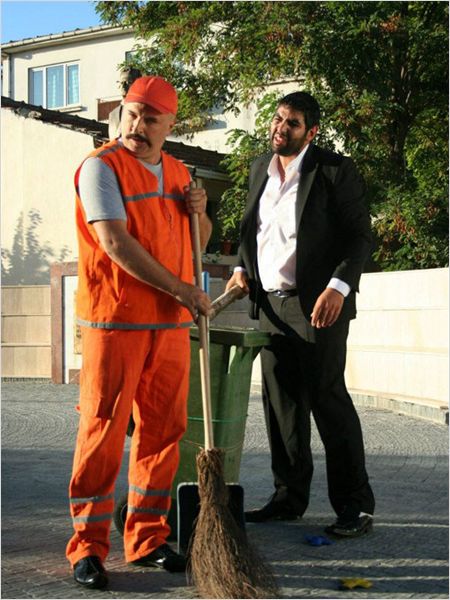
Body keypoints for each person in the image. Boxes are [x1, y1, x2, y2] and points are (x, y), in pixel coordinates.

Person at [67, 75, 212, 590]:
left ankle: (147, 538)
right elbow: (115, 244)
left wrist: (200, 213)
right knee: (102, 431)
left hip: (168, 327)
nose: (138, 126)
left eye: (151, 118)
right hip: (116, 323)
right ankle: (87, 547)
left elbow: (198, 239)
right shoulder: (100, 168)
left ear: (171, 125)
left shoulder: (176, 171)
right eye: (131, 114)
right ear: (120, 114)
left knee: (162, 433)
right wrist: (185, 291)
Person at [226, 91, 375, 538]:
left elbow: (359, 237)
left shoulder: (333, 170)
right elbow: (250, 231)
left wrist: (338, 287)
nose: (280, 128)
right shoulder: (259, 169)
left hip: (318, 306)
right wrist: (240, 268)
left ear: (311, 132)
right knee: (282, 406)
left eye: (291, 123)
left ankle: (355, 507)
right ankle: (289, 498)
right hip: (270, 305)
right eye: (277, 119)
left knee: (328, 401)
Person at [108, 66, 142, 140]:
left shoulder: (146, 110)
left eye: (128, 82)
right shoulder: (113, 114)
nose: (123, 86)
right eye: (121, 82)